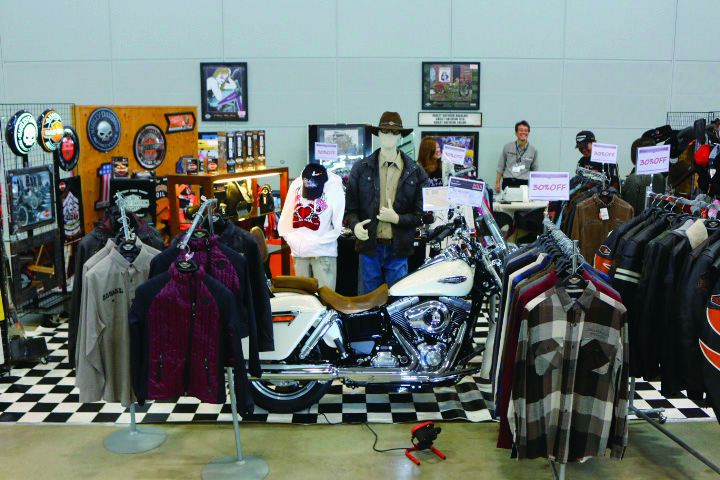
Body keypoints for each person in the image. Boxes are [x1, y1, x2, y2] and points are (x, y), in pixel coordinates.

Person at [345, 111, 428, 294]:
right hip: (369, 247)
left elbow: (422, 215)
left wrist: (397, 219)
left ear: (400, 136)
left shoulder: (415, 172)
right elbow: (350, 208)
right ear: (378, 134)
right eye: (385, 131)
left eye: (394, 132)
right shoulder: (361, 168)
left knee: (397, 302)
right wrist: (355, 225)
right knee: (368, 302)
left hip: (398, 249)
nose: (389, 136)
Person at [278, 163, 345, 290]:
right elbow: (285, 216)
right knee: (303, 298)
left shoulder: (334, 187)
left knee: (325, 297)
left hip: (323, 253)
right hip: (299, 253)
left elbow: (338, 224)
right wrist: (292, 240)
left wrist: (318, 242)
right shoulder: (296, 184)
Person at [621, 137, 665, 216]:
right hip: (657, 220)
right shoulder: (660, 177)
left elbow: (629, 208)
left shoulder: (634, 179)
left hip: (637, 221)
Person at [495, 120, 538, 193]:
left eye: (526, 131)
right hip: (508, 181)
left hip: (524, 182)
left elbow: (534, 170)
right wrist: (497, 183)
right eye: (521, 130)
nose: (523, 132)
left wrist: (534, 187)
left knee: (523, 200)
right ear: (516, 133)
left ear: (528, 133)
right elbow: (500, 167)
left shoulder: (533, 150)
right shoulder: (507, 146)